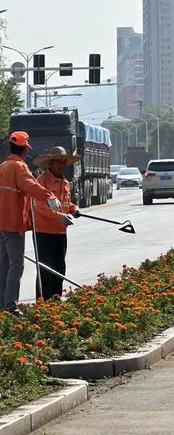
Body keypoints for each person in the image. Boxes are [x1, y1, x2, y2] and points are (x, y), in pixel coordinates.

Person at [0, 132, 61, 316]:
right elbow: (31, 186)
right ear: (25, 149)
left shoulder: (2, 166)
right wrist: (49, 196)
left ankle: (2, 304)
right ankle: (10, 307)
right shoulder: (19, 167)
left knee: (3, 265)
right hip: (13, 224)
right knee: (16, 265)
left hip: (1, 225)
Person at [32, 147, 81, 300]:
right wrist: (58, 216)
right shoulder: (42, 182)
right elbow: (38, 205)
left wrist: (75, 209)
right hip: (43, 232)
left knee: (59, 267)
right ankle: (43, 302)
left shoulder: (65, 183)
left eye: (64, 162)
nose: (62, 165)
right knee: (45, 269)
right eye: (59, 162)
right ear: (51, 163)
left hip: (60, 232)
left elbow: (66, 203)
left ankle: (55, 299)